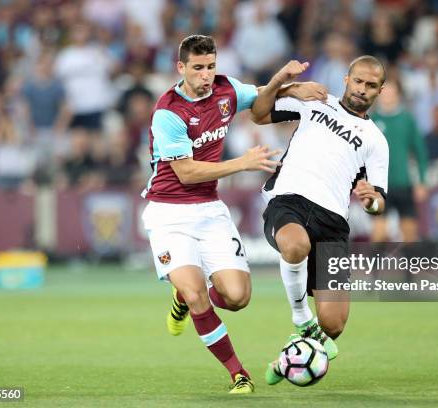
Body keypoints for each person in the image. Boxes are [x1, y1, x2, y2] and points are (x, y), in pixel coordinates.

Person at [140, 34, 326, 394]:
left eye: (210, 66)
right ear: (181, 68)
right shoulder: (168, 112)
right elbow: (187, 172)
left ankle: (184, 297)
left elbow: (257, 94)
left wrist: (289, 86)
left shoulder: (225, 90)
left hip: (210, 212)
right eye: (198, 68)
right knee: (198, 294)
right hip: (168, 213)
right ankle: (238, 373)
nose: (206, 75)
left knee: (238, 298)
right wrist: (242, 163)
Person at [249, 55, 389, 384]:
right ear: (346, 79)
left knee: (334, 324)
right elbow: (257, 113)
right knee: (295, 245)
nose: (362, 90)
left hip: (333, 223)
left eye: (371, 86)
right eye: (358, 81)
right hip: (289, 201)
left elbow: (379, 200)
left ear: (379, 91)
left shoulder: (376, 141)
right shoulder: (314, 101)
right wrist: (288, 84)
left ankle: (286, 362)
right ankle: (301, 320)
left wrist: (371, 202)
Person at [370, 80, 428, 242]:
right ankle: (374, 268)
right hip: (379, 186)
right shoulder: (371, 120)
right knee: (379, 234)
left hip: (404, 183)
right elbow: (360, 154)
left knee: (409, 234)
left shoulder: (407, 119)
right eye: (384, 92)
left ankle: (409, 267)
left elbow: (420, 153)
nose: (387, 96)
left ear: (398, 95)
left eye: (391, 92)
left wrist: (422, 181)